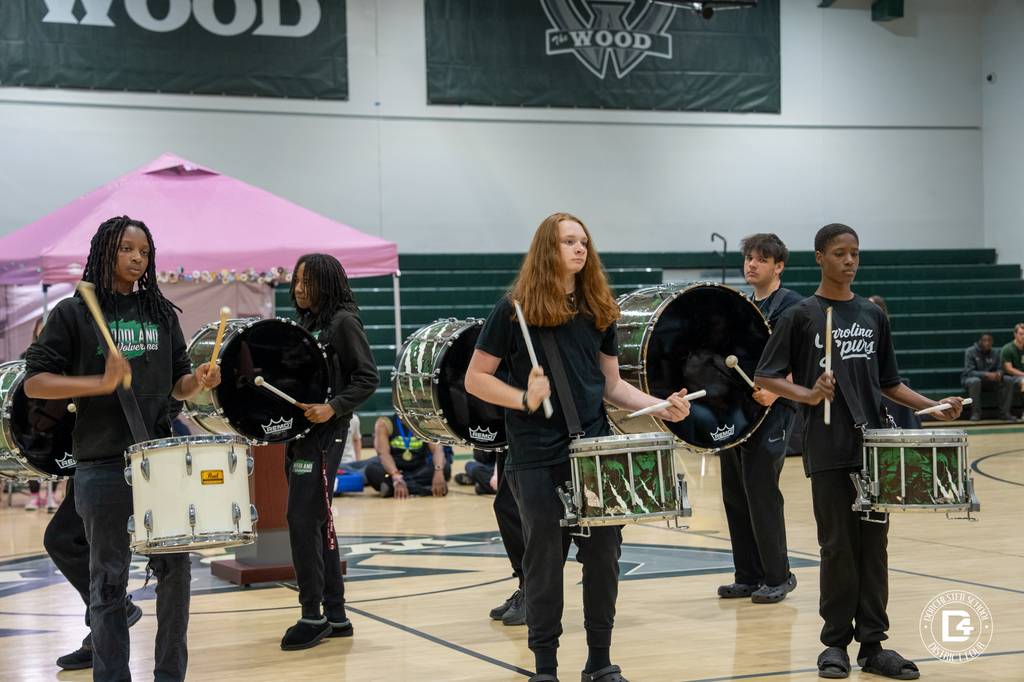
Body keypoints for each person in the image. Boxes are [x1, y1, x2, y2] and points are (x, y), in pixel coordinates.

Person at [465, 212, 691, 682]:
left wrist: (659, 405)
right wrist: (523, 398)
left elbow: (612, 386)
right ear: (548, 249)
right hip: (536, 456)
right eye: (569, 241)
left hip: (595, 452)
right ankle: (545, 667)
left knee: (604, 557)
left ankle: (600, 662)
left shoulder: (598, 308)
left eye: (584, 241)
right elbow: (476, 379)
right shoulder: (514, 309)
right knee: (544, 562)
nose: (580, 249)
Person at [754, 223, 963, 681]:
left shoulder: (872, 314)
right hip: (828, 447)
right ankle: (834, 645)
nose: (849, 261)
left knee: (874, 548)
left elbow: (889, 383)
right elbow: (766, 377)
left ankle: (873, 646)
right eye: (839, 253)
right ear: (819, 258)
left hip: (875, 449)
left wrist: (934, 406)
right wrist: (809, 395)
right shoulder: (802, 315)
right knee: (837, 547)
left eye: (855, 254)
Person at [24, 215, 221, 682]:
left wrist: (199, 381)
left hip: (163, 463)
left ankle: (170, 675)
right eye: (127, 250)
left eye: (144, 252)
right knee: (108, 582)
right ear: (106, 252)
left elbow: (177, 385)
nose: (137, 259)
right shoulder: (74, 314)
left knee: (176, 578)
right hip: (103, 463)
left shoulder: (160, 313)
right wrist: (100, 382)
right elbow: (35, 384)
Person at [280, 253, 380, 651]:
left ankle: (312, 615)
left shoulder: (343, 322)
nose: (299, 289)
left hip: (326, 435)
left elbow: (368, 377)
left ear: (328, 283)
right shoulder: (308, 323)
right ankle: (335, 614)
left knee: (301, 518)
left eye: (307, 282)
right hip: (301, 434)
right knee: (317, 519)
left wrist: (333, 407)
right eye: (297, 281)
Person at [717, 233, 803, 604]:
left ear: (778, 266)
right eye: (749, 258)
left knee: (761, 490)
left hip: (774, 409)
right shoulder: (743, 306)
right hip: (739, 412)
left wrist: (778, 389)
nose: (751, 264)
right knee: (736, 493)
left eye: (761, 260)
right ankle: (748, 576)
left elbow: (809, 363)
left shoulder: (794, 307)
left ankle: (778, 576)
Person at [20, 317, 60, 512]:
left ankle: (52, 495)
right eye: (41, 328)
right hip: (30, 410)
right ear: (35, 331)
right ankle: (34, 496)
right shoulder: (25, 355)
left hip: (54, 410)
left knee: (53, 451)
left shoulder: (61, 355)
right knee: (31, 452)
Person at [364, 413, 449, 498]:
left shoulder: (426, 422)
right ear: (394, 403)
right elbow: (383, 454)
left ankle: (391, 489)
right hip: (393, 471)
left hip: (419, 471)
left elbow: (438, 450)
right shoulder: (384, 423)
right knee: (372, 470)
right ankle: (424, 490)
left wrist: (439, 470)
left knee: (445, 468)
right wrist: (396, 476)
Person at [962, 332, 1022, 421]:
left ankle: (1005, 413)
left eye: (989, 341)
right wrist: (986, 374)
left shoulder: (995, 352)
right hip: (972, 380)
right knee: (975, 381)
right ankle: (976, 413)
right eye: (984, 340)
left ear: (992, 342)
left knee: (1008, 380)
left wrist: (998, 374)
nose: (987, 343)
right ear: (980, 341)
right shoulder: (970, 352)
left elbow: (1000, 369)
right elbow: (970, 372)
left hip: (990, 380)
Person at [999, 323, 1024, 418]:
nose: (1023, 336)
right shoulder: (1007, 349)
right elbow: (1009, 369)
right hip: (1011, 378)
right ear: (1015, 334)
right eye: (1021, 334)